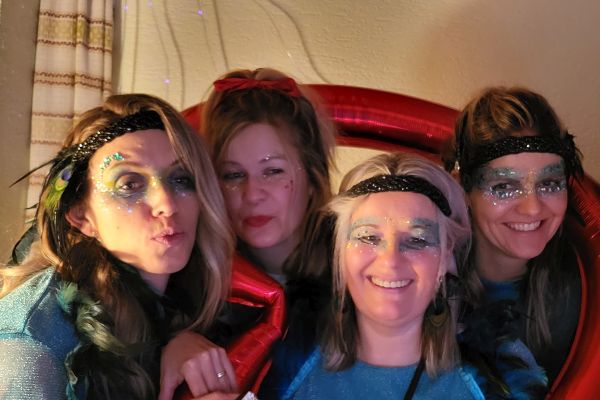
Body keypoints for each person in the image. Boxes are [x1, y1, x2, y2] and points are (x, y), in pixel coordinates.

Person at [0, 94, 234, 399]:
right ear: (81, 216)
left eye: (181, 179)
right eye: (129, 185)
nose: (166, 204)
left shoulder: (188, 301)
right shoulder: (31, 343)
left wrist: (178, 341)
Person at [284, 152, 547, 399]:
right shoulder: (285, 361)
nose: (391, 260)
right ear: (340, 252)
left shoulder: (500, 376)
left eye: (417, 240)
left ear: (446, 254)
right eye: (368, 237)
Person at [159, 68, 336, 399]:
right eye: (233, 175)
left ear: (313, 178)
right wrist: (173, 347)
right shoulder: (185, 283)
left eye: (273, 171)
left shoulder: (361, 276)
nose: (252, 194)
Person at [441, 87, 584, 385]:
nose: (532, 208)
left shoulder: (577, 296)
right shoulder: (417, 276)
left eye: (549, 183)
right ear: (462, 189)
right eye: (504, 187)